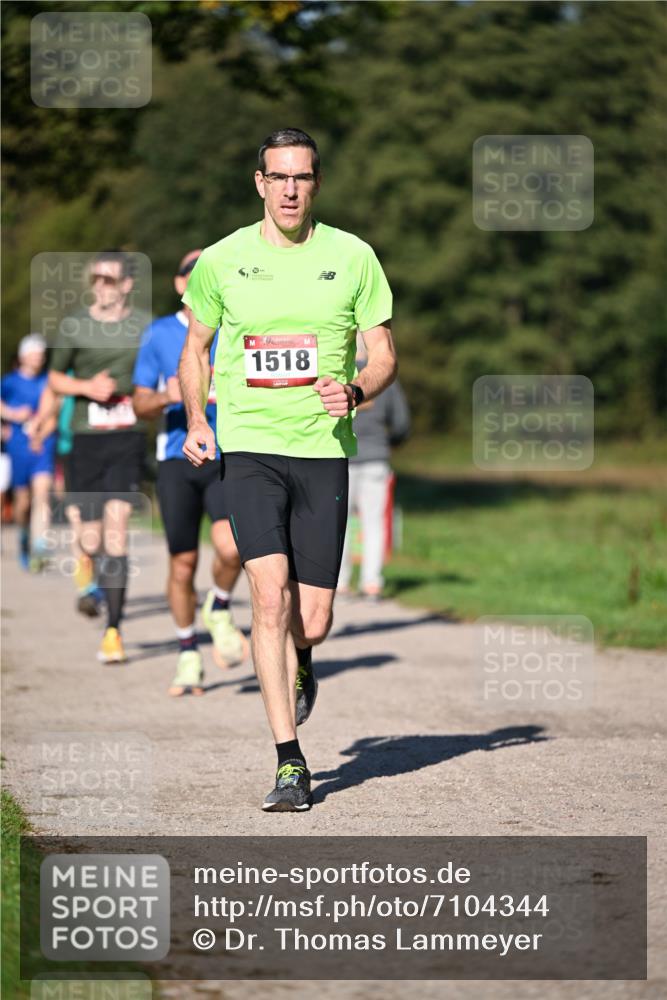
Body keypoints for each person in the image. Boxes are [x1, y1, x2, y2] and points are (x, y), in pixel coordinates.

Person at [179, 128, 397, 811]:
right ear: (259, 182)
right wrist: (195, 421)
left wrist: (357, 390)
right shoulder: (222, 260)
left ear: (316, 183)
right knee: (266, 597)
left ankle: (304, 660)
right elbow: (195, 350)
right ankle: (289, 762)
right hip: (248, 448)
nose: (290, 189)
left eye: (301, 177)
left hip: (323, 450)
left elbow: (384, 353)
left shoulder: (353, 256)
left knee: (316, 616)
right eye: (278, 177)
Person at [132, 250, 248, 697]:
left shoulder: (234, 328)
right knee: (183, 564)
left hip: (228, 453)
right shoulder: (159, 334)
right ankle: (187, 653)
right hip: (177, 459)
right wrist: (169, 394)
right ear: (182, 285)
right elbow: (138, 403)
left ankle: (218, 606)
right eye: (194, 274)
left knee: (233, 546)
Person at [48, 250, 150, 663]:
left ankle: (113, 629)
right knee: (90, 539)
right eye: (96, 280)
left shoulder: (144, 325)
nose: (102, 287)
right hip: (87, 439)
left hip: (126, 437)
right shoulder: (75, 324)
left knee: (118, 529)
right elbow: (55, 378)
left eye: (109, 280)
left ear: (126, 284)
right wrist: (86, 388)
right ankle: (87, 572)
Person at [338, 341, 410, 599]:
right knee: (374, 523)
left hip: (342, 459)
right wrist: (388, 444)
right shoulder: (384, 381)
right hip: (376, 459)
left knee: (340, 524)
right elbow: (401, 423)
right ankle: (372, 583)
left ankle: (341, 583)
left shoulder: (338, 376)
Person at [0, 334, 57, 570]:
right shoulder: (10, 382)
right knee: (23, 503)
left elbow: (54, 414)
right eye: (34, 354)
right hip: (18, 447)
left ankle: (41, 545)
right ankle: (24, 536)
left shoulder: (49, 382)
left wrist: (41, 435)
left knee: (42, 494)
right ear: (23, 356)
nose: (38, 359)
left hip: (43, 444)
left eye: (41, 355)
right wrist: (11, 417)